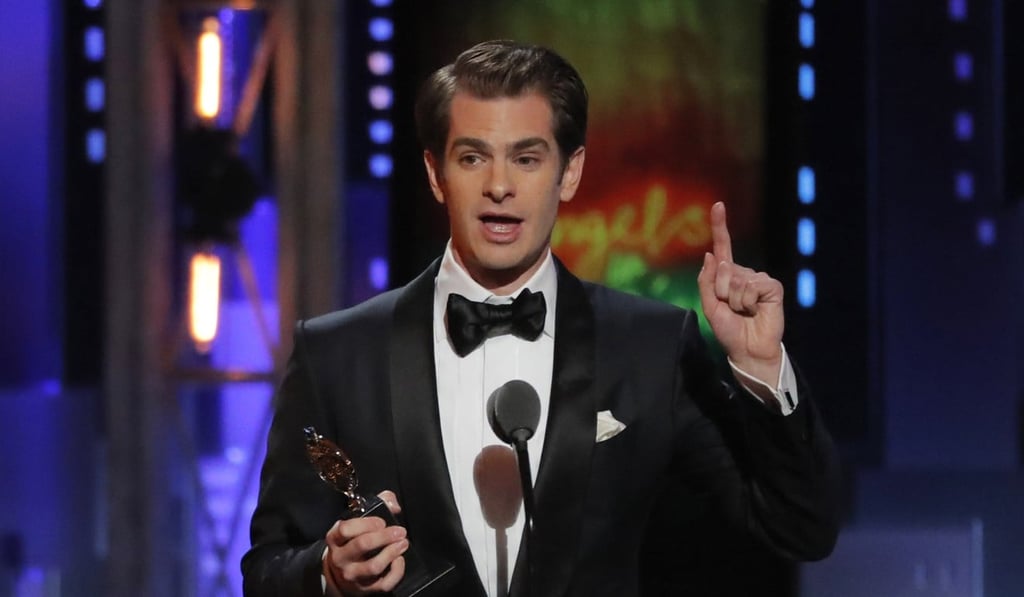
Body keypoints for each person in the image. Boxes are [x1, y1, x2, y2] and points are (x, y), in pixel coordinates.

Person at [241, 40, 840, 597]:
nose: (500, 186)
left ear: (570, 172)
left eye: (527, 158)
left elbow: (799, 530)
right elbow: (266, 571)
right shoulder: (340, 353)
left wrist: (761, 366)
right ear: (434, 174)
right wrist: (328, 573)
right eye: (473, 157)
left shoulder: (648, 345)